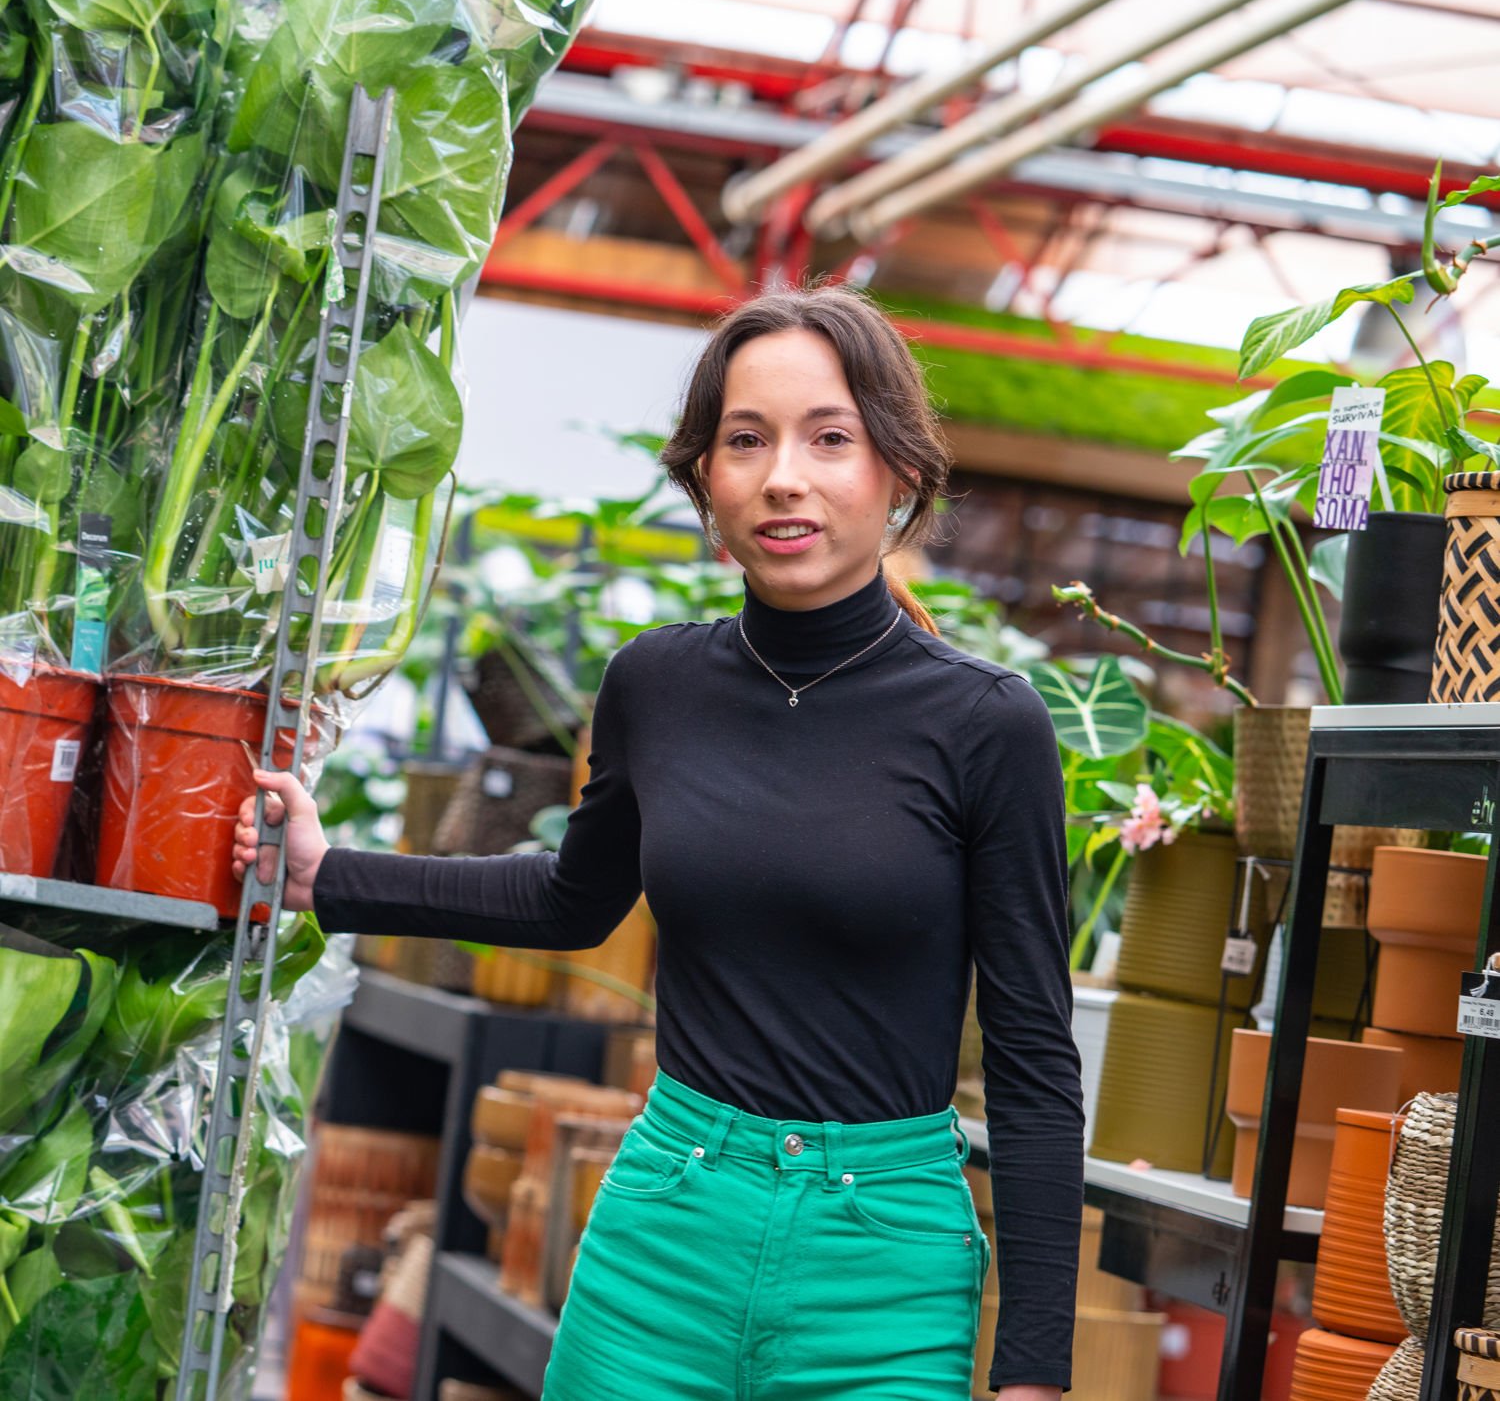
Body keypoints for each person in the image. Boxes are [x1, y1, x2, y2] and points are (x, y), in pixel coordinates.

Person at [234, 284, 1084, 1400]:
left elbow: (1032, 1056)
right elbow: (569, 902)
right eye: (746, 441)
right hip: (664, 1232)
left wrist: (1034, 1367)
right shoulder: (658, 684)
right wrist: (325, 875)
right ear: (704, 483)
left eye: (830, 438)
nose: (784, 476)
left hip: (882, 1269)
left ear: (901, 472)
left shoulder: (987, 724)